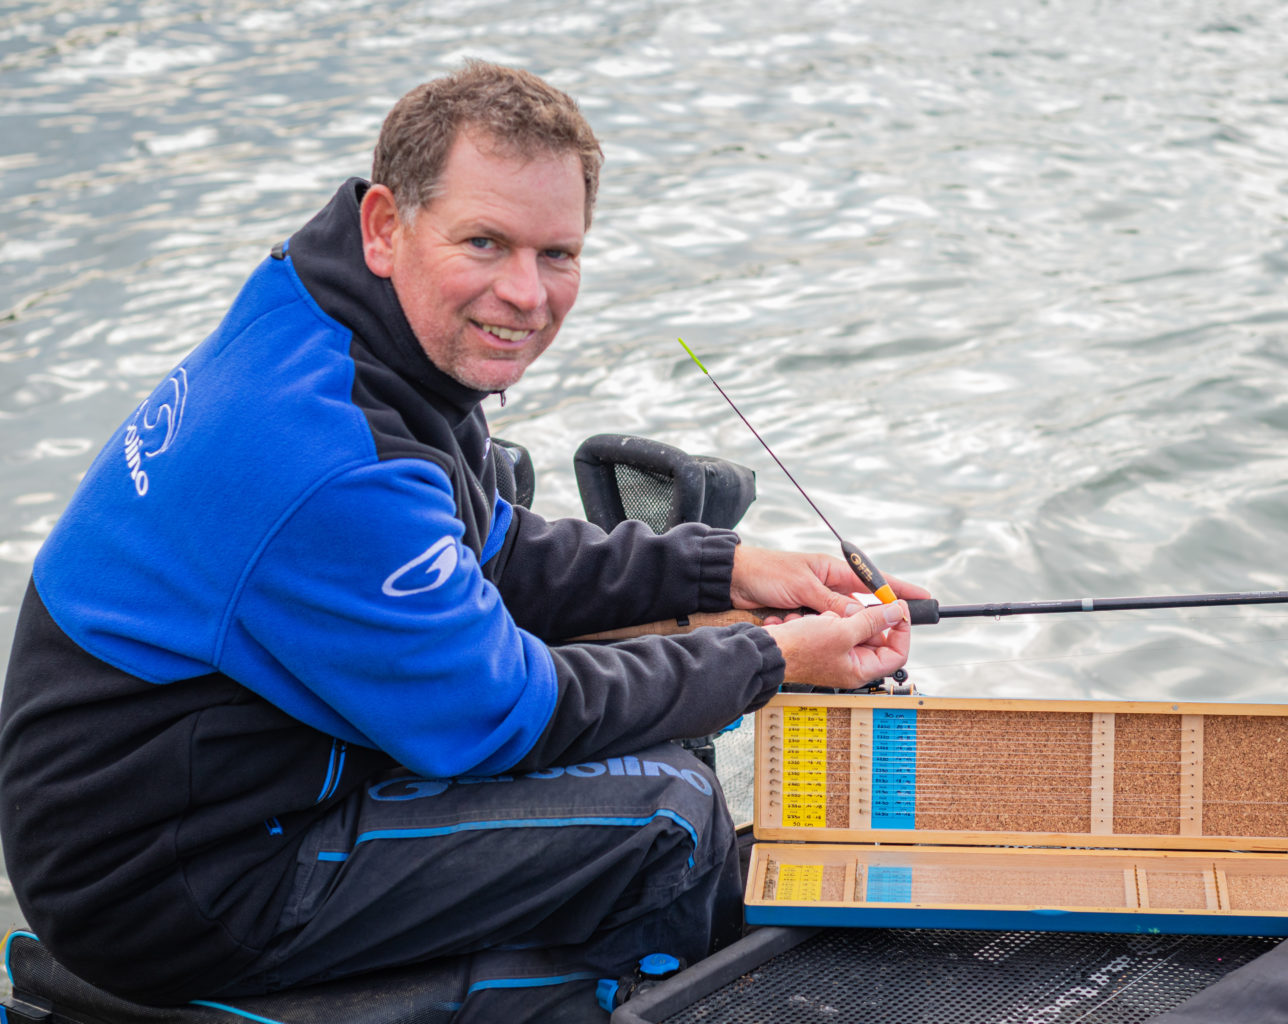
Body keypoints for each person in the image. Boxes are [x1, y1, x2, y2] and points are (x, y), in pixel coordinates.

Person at [0, 61, 923, 1022]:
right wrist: (768, 657)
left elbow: (489, 545)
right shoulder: (334, 460)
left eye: (557, 254)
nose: (525, 293)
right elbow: (505, 717)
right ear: (387, 227)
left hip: (227, 785)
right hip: (176, 887)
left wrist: (725, 568)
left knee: (642, 730)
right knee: (669, 819)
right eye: (485, 242)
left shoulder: (329, 318)